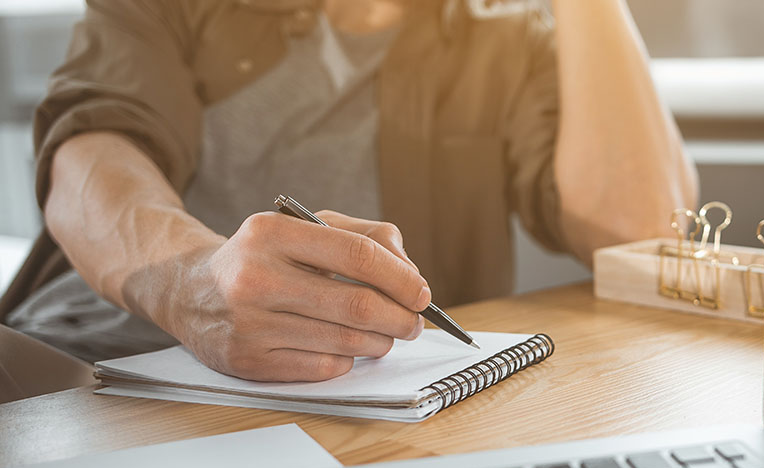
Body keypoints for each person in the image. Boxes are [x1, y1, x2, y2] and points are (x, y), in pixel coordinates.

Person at [2, 0, 698, 380]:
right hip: (80, 367)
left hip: (342, 402)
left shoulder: (507, 43)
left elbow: (641, 233)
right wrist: (193, 284)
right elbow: (88, 158)